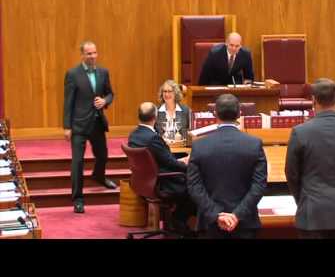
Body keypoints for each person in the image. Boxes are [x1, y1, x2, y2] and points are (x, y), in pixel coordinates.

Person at [285, 78, 335, 239]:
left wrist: (303, 199)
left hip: (312, 213)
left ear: (313, 100)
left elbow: (291, 174)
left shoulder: (300, 132)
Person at [187, 94, 267, 239]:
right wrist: (237, 215)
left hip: (210, 223)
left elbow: (194, 186)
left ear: (214, 114)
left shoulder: (199, 145)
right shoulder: (254, 144)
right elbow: (259, 185)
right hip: (245, 223)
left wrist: (216, 215)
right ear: (239, 114)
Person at [63, 40, 117, 214]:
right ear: (82, 55)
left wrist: (104, 101)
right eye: (89, 54)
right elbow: (68, 101)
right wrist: (67, 126)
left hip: (97, 122)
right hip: (78, 124)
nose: (93, 56)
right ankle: (78, 199)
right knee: (77, 162)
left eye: (94, 53)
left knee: (103, 155)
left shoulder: (103, 72)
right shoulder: (72, 74)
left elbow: (110, 93)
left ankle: (99, 176)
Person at [128, 102, 196, 234]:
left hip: (144, 182)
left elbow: (163, 160)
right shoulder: (153, 138)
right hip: (162, 182)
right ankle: (179, 220)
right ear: (155, 117)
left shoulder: (134, 135)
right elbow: (171, 163)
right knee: (194, 184)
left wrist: (179, 161)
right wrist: (188, 164)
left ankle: (173, 222)